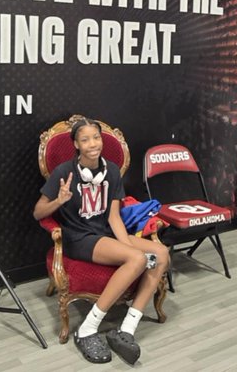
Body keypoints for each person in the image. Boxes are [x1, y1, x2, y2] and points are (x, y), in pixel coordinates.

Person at [33, 117, 170, 365]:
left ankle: (127, 329)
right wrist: (58, 201)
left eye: (96, 138)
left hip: (105, 233)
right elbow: (38, 212)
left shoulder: (113, 171)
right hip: (79, 238)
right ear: (76, 144)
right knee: (137, 258)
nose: (92, 144)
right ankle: (87, 328)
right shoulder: (64, 172)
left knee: (161, 254)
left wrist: (128, 248)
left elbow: (115, 217)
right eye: (85, 139)